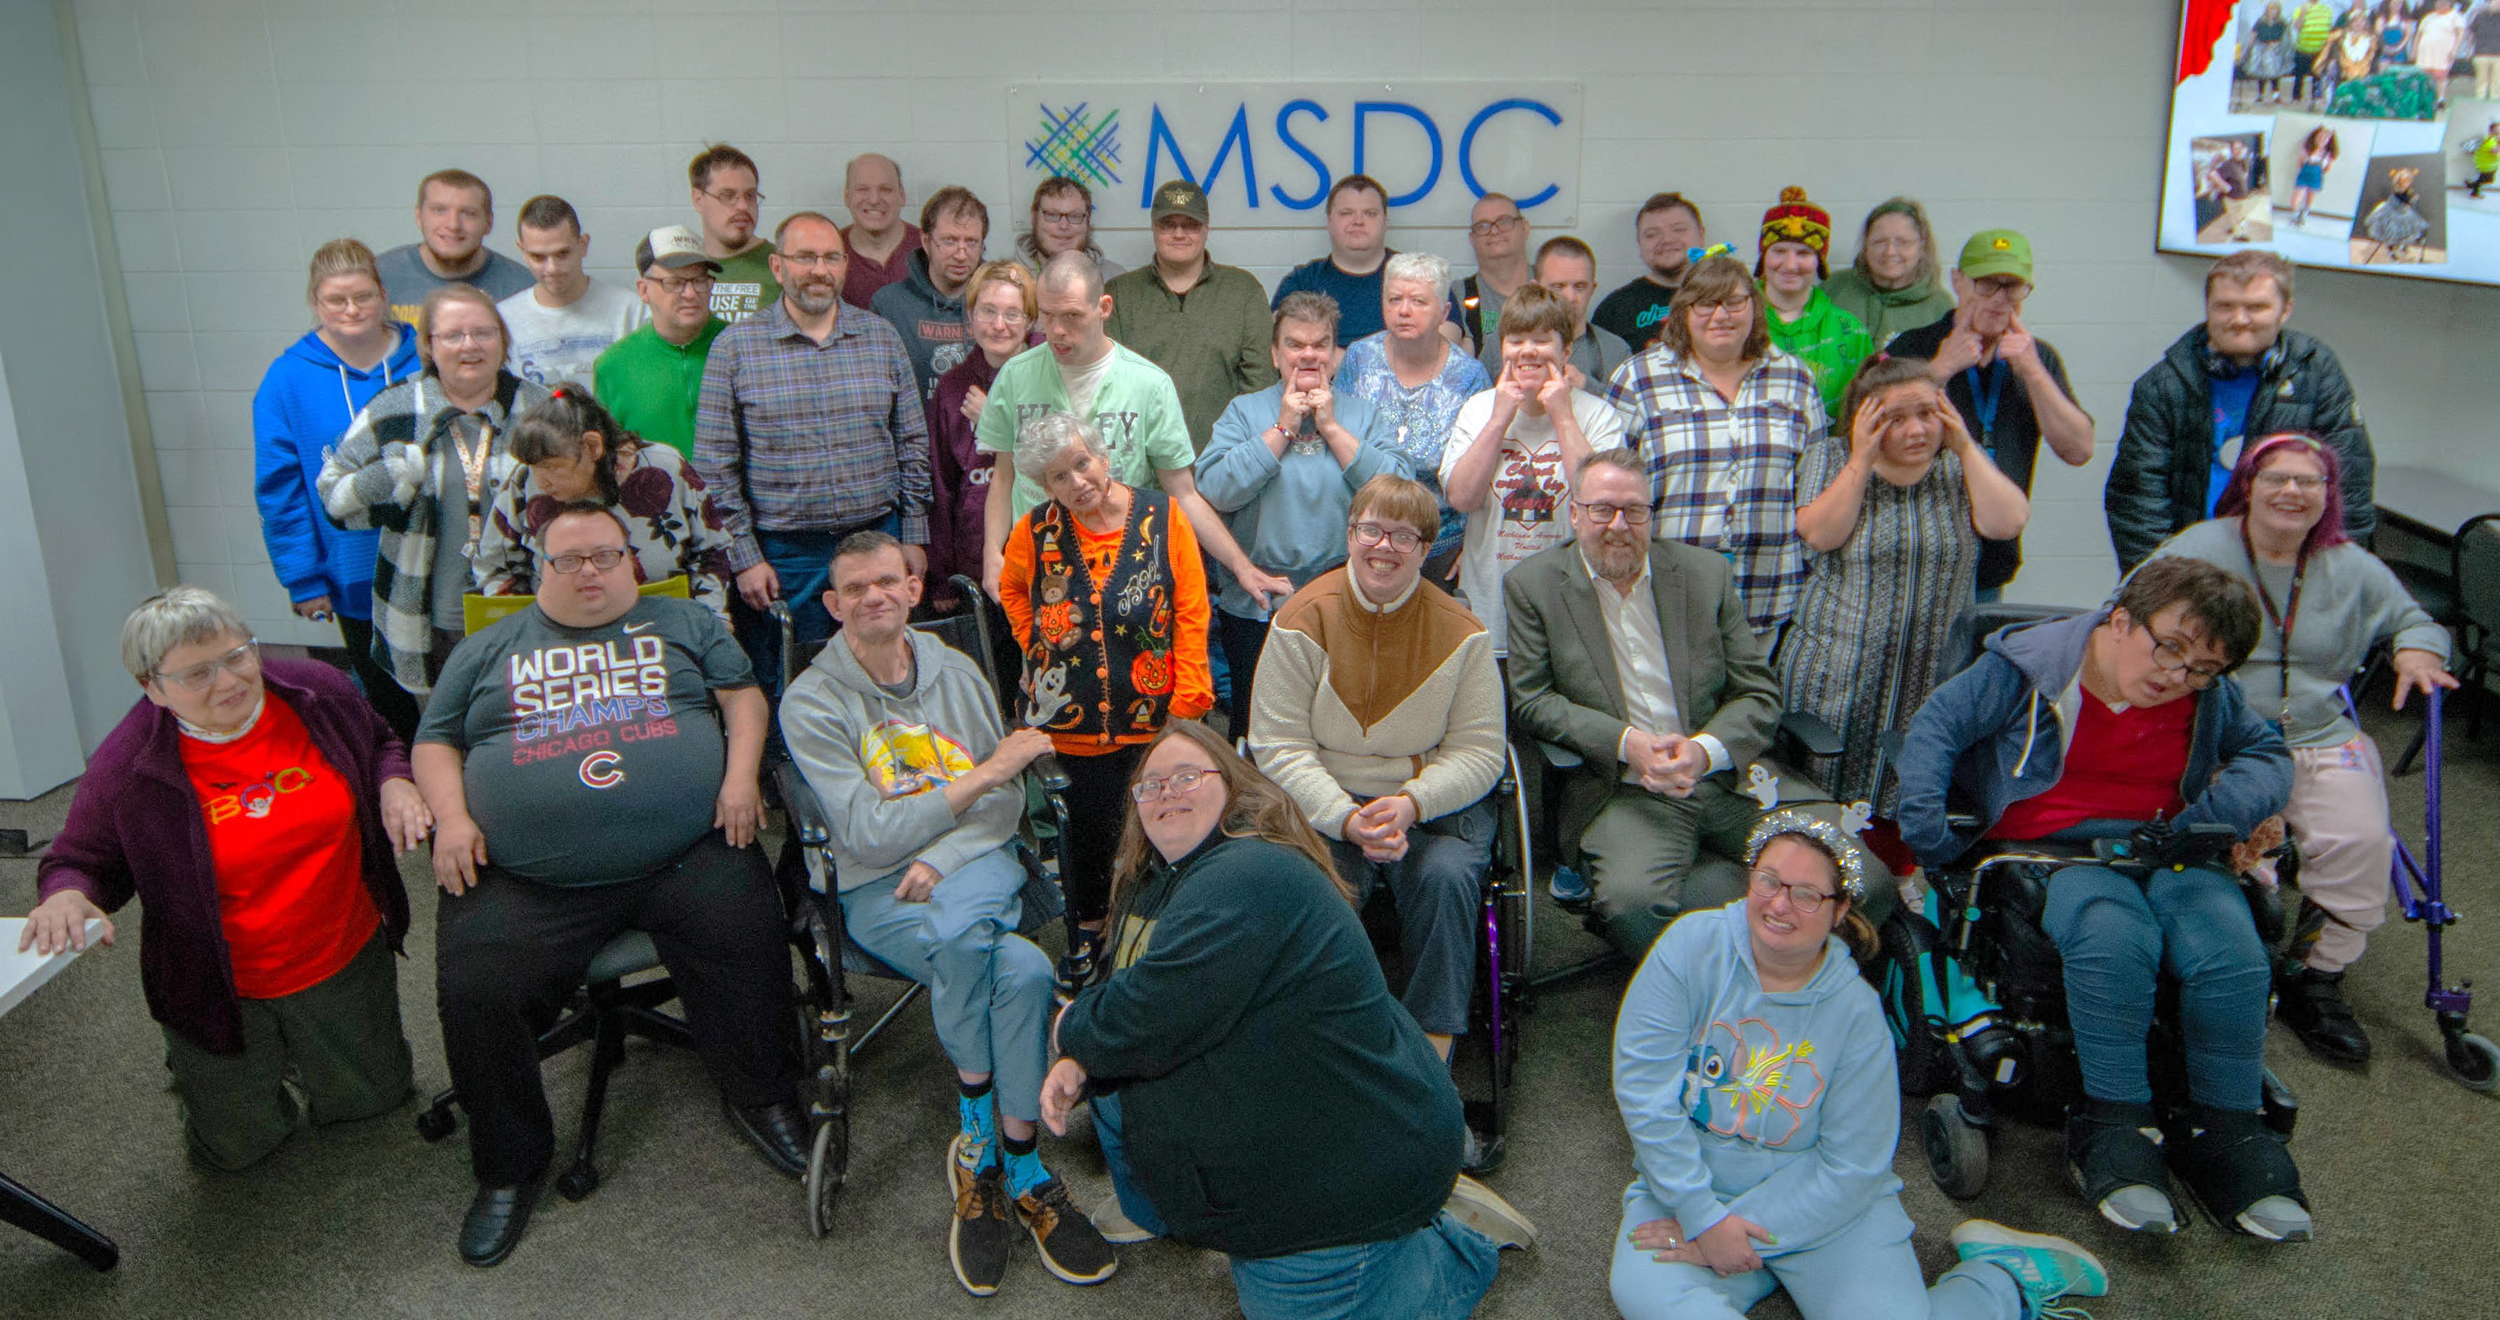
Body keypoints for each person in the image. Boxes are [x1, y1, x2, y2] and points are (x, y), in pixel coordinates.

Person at [415, 503, 805, 1267]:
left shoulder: (684, 624)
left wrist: (739, 776)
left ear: (631, 559)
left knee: (753, 930)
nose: (590, 572)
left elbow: (743, 698)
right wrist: (452, 818)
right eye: (570, 560)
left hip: (686, 850)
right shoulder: (489, 647)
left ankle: (763, 1094)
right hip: (530, 878)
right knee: (475, 988)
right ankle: (510, 1167)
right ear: (540, 569)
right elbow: (435, 739)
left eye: (605, 555)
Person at [1042, 722, 1531, 1320]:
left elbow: (1144, 1013)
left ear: (1234, 788)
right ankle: (1389, 1229)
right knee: (1118, 1085)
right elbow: (1139, 1002)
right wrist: (1086, 1058)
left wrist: (1070, 1032)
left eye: (1187, 776)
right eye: (1150, 785)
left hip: (1352, 1163)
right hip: (1299, 1113)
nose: (1166, 792)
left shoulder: (1245, 874)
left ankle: (1445, 1247)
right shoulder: (1161, 881)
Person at [1892, 557, 2306, 1241]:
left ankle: (2228, 1130)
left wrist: (2220, 810)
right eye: (2168, 649)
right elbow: (1937, 726)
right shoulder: (2028, 669)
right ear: (2121, 620)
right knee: (2115, 938)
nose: (2177, 677)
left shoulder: (2208, 696)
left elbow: (2268, 754)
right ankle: (2114, 1122)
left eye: (2203, 668)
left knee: (2232, 952)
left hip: (2167, 846)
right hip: (2058, 855)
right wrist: (1930, 833)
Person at [780, 531, 1117, 1296]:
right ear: (833, 606)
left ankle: (981, 1142)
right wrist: (990, 771)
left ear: (910, 588)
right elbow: (867, 833)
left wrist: (947, 854)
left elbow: (1006, 805)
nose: (874, 596)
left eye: (888, 582)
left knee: (964, 932)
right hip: (875, 887)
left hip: (971, 863)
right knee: (1026, 969)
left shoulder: (956, 670)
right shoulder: (811, 701)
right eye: (855, 588)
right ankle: (1018, 1158)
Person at [1609, 813, 2110, 1320]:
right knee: (1649, 1299)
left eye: (1806, 894)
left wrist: (1727, 1229)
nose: (1780, 905)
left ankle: (1998, 1280)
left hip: (1824, 1205)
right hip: (1692, 1187)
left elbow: (1852, 1167)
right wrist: (1701, 1216)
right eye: (1768, 881)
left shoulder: (1856, 1012)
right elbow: (1644, 1092)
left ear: (1839, 909)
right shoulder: (1690, 945)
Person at [22, 588, 429, 1171]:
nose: (229, 682)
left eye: (238, 656)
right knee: (237, 1151)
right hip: (220, 983)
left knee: (375, 1105)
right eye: (196, 675)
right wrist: (64, 896)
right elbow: (78, 860)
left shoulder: (320, 694)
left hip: (342, 950)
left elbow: (383, 743)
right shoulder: (128, 765)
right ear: (151, 688)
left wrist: (395, 781)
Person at [2152, 433, 2455, 1066]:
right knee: (2205, 847)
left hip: (2319, 733)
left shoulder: (2351, 566)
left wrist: (2419, 647)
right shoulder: (2200, 550)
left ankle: (2313, 978)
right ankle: (2198, 968)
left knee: (2363, 842)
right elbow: (2127, 609)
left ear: (2327, 497)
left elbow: (2415, 619)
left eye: (2308, 481)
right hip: (2220, 734)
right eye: (2277, 478)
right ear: (2249, 487)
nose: (2292, 491)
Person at [1248, 475, 1505, 1157]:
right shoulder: (1303, 617)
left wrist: (1411, 803)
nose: (1383, 546)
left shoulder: (1463, 632)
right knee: (1317, 884)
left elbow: (1481, 751)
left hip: (1431, 802)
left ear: (1428, 549)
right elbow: (1275, 743)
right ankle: (1324, 1059)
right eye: (1371, 530)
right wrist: (1344, 817)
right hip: (1326, 800)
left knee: (1450, 875)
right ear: (1350, 535)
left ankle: (1431, 1073)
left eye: (1403, 535)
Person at [1505, 449, 1785, 959]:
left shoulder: (1705, 575)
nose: (1619, 525)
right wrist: (1625, 743)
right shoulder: (1533, 585)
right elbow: (1531, 700)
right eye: (1602, 509)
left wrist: (1704, 751)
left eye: (1635, 510)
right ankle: (1700, 1007)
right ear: (1574, 513)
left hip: (1729, 779)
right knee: (1633, 907)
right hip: (1622, 791)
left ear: (1651, 514)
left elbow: (1759, 692)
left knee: (1851, 876)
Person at [996, 411, 1213, 994]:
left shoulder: (1163, 517)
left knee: (1158, 830)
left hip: (1154, 720)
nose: (1077, 482)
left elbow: (1191, 610)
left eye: (1082, 464)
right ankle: (1090, 939)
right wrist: (1034, 639)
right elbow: (1012, 588)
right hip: (1072, 723)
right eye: (1059, 477)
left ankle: (1158, 940)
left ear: (1104, 457)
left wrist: (1188, 702)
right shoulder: (1034, 530)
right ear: (1046, 487)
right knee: (1087, 835)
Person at [1782, 357, 2030, 848]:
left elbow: (2007, 523)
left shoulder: (1959, 467)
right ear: (1865, 420)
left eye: (1927, 413)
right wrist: (1861, 459)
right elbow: (1821, 534)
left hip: (1931, 676)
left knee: (1908, 807)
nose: (1917, 429)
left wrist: (1965, 444)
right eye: (1895, 418)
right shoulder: (1831, 459)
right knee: (1824, 821)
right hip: (1838, 676)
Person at [692, 211, 930, 684]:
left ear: (844, 267)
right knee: (790, 677)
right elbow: (715, 466)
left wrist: (914, 533)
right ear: (778, 267)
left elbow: (912, 442)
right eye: (805, 257)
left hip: (877, 540)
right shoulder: (735, 348)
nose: (819, 270)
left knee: (885, 670)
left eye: (830, 258)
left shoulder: (880, 338)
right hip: (784, 557)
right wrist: (745, 556)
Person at [977, 253, 1287, 612]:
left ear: (1104, 307)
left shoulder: (1148, 384)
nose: (1057, 330)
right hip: (1045, 566)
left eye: (1072, 316)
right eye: (1047, 315)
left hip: (1127, 570)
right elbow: (1003, 477)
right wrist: (992, 553)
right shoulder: (1017, 376)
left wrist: (1240, 565)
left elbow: (1183, 494)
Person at [317, 284, 554, 701]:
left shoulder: (543, 407)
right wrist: (388, 477)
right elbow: (334, 499)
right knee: (445, 738)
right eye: (453, 335)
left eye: (483, 332)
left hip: (533, 610)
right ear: (428, 345)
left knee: (528, 735)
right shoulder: (395, 407)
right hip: (431, 620)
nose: (470, 346)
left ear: (503, 340)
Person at [1199, 294, 1405, 730]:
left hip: (1348, 598)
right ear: (1275, 355)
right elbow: (1215, 491)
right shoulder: (1244, 411)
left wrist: (1330, 428)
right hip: (1258, 602)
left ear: (1334, 355)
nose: (1308, 354)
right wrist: (1283, 429)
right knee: (1257, 725)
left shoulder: (1362, 415)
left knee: (1340, 723)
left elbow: (1398, 498)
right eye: (1295, 344)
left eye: (1320, 344)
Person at [2106, 250, 2372, 574]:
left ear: (2285, 310)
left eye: (2256, 307)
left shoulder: (2317, 375)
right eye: (2225, 306)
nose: (2239, 319)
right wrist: (2160, 585)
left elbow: (2349, 485)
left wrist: (2331, 579)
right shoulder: (2162, 385)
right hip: (2187, 570)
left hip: (2284, 570)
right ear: (2208, 308)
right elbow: (2137, 500)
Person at [253, 238, 424, 739]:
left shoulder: (427, 356)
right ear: (314, 303)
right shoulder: (286, 380)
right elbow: (279, 489)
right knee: (389, 701)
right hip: (354, 571)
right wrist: (302, 579)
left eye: (363, 297)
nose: (352, 310)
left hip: (434, 558)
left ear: (384, 294)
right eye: (335, 300)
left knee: (456, 689)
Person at [1605, 255, 1826, 635]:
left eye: (1735, 302)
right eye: (1706, 302)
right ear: (1683, 311)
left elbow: (1816, 482)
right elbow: (1609, 489)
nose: (1721, 315)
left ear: (1755, 307)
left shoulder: (1794, 379)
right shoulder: (1639, 377)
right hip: (1664, 597)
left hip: (1770, 596)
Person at [1887, 230, 2094, 602]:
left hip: (1990, 560)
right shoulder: (1913, 346)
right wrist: (1940, 370)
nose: (2000, 300)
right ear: (1957, 281)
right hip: (1915, 559)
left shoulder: (2037, 358)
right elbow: (1873, 434)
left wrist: (2031, 371)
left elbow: (2078, 449)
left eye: (2013, 287)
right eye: (1986, 285)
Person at [1441, 284, 1627, 655]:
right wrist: (1499, 420)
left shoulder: (1598, 415)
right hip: (1491, 608)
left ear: (1566, 351)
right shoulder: (1478, 410)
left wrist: (1561, 413)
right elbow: (1462, 497)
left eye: (1542, 340)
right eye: (1516, 340)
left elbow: (1602, 502)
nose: (1527, 351)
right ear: (1502, 347)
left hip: (1572, 610)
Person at [473, 387, 737, 624]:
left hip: (666, 630)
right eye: (534, 468)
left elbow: (711, 552)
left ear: (592, 446)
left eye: (551, 467)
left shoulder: (665, 467)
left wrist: (710, 624)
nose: (541, 482)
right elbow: (494, 565)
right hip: (559, 641)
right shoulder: (524, 481)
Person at [1335, 252, 1492, 583]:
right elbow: (1337, 445)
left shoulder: (1470, 376)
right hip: (1365, 539)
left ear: (1444, 312)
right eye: (1394, 299)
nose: (1403, 310)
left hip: (1440, 545)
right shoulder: (1360, 358)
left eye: (1418, 301)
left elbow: (1485, 469)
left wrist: (1474, 546)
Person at [1103, 179, 1278, 451]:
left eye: (1191, 224)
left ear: (1206, 229)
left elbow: (1260, 386)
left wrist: (1243, 453)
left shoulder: (1243, 290)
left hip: (1223, 459)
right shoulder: (1120, 294)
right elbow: (1109, 386)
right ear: (1153, 227)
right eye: (1167, 224)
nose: (1179, 233)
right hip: (1142, 462)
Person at [928, 261, 1037, 604]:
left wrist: (994, 419)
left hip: (1043, 547)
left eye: (1013, 314)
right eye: (988, 311)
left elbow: (1062, 458)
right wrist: (943, 576)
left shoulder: (1051, 374)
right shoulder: (952, 388)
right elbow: (941, 485)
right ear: (971, 315)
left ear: (1031, 320)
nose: (999, 325)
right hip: (976, 558)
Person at [593, 225, 727, 459]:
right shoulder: (613, 366)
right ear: (644, 290)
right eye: (674, 282)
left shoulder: (740, 348)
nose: (690, 293)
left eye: (699, 280)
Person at [496, 195, 645, 392]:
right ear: (522, 250)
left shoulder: (631, 310)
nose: (552, 268)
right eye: (538, 257)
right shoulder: (504, 318)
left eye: (562, 254)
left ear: (583, 245)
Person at [1755, 187, 1872, 421]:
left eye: (1803, 253)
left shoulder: (1849, 330)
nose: (1790, 265)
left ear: (1819, 261)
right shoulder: (1735, 320)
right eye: (1779, 251)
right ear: (1763, 257)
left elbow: (1865, 408)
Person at [872, 186, 990, 400]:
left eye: (971, 242)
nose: (961, 255)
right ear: (926, 242)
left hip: (984, 431)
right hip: (918, 430)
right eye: (949, 241)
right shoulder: (890, 305)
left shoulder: (1000, 303)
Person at [376, 169, 532, 325]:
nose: (453, 225)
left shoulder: (522, 289)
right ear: (419, 216)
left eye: (468, 213)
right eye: (439, 210)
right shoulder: (378, 278)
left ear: (489, 223)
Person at [1271, 175, 1397, 344]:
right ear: (1329, 221)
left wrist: (1339, 359)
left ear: (1385, 221)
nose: (1358, 221)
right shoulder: (1302, 283)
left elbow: (1437, 349)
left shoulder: (1419, 277)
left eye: (1370, 213)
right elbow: (1283, 349)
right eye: (1346, 213)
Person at [1820, 198, 1956, 350]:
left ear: (1922, 246)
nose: (1890, 252)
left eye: (1903, 242)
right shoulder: (1833, 288)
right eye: (1880, 242)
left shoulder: (1940, 307)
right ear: (1866, 246)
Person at [1594, 192, 1707, 351]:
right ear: (1639, 243)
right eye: (1652, 234)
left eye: (1679, 229)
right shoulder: (1615, 308)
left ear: (1701, 235)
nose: (1666, 240)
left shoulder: (1727, 298)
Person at [688, 143, 778, 323]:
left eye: (750, 195)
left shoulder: (782, 265)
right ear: (698, 200)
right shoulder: (683, 270)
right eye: (727, 195)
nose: (743, 206)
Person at [1445, 192, 1532, 373]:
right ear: (1472, 238)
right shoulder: (1455, 296)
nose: (1494, 231)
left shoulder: (1553, 285)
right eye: (1482, 226)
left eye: (1504, 221)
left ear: (1525, 228)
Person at [1532, 236, 1636, 386]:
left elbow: (1627, 409)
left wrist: (1587, 386)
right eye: (1558, 287)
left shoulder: (1616, 351)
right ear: (1535, 290)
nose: (1570, 297)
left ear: (1592, 290)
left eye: (1579, 287)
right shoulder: (1505, 344)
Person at [840, 152, 921, 312]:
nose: (874, 199)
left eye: (885, 189)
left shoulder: (931, 248)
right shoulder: (828, 253)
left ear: (902, 196)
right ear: (847, 197)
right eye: (862, 189)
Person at [1017, 176, 1125, 281]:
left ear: (1088, 220)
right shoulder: (1007, 278)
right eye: (1052, 215)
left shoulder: (1116, 280)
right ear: (1034, 217)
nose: (1063, 226)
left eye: (1074, 216)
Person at [2242, 2, 2296, 102]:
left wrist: (2277, 45)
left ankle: (2276, 95)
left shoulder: (2282, 22)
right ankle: (2260, 95)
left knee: (2275, 73)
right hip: (2261, 48)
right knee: (2261, 74)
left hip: (2276, 49)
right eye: (2271, 9)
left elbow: (2286, 37)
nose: (2273, 12)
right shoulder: (2260, 21)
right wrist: (2249, 48)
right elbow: (2254, 34)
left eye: (2275, 10)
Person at [2289, 126, 2340, 224]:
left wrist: (2322, 168)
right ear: (2315, 137)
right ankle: (2296, 215)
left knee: (2309, 199)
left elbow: (2327, 169)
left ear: (2329, 141)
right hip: (2303, 177)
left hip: (2316, 179)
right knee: (2294, 201)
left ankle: (2304, 214)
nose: (2321, 140)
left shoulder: (2327, 155)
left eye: (2325, 139)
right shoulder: (2307, 150)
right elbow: (2300, 163)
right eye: (2319, 137)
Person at [2291, 0, 2339, 103]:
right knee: (2299, 74)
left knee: (2317, 74)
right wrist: (2302, 14)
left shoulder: (2326, 10)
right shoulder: (2300, 8)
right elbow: (2296, 27)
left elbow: (2329, 27)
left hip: (2320, 50)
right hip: (2303, 48)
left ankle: (2315, 96)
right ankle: (2296, 97)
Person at [2473, 0, 2500, 97]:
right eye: (2495, 3)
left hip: (2498, 55)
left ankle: (2495, 102)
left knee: (2497, 82)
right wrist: (2469, 50)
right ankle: (2480, 99)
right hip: (2481, 54)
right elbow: (2472, 33)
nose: (2497, 5)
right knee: (2481, 80)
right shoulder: (2480, 16)